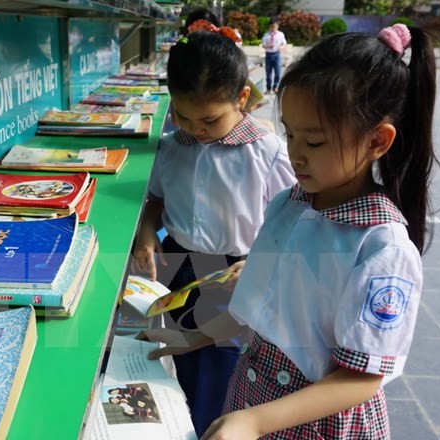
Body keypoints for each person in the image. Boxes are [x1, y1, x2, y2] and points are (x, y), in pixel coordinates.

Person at [142, 24, 440, 439]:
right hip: (254, 395)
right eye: (289, 133)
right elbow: (262, 305)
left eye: (316, 142)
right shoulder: (289, 204)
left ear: (377, 141)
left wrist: (254, 420)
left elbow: (361, 377)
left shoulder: (380, 245)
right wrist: (192, 337)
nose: (295, 153)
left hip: (313, 423)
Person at [131, 27, 296, 437]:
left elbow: (291, 222)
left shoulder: (266, 152)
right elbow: (155, 200)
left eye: (209, 119)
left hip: (234, 276)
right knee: (176, 360)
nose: (197, 129)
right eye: (183, 116)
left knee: (223, 374)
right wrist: (147, 232)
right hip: (176, 266)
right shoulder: (173, 146)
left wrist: (260, 265)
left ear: (242, 98)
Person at [261, 20, 287, 93]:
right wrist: (268, 46)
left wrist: (281, 47)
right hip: (269, 55)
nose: (273, 28)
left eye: (274, 26)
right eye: (271, 26)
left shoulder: (281, 34)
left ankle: (275, 87)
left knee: (278, 72)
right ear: (269, 26)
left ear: (277, 26)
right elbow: (263, 45)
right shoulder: (266, 35)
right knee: (268, 73)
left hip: (277, 54)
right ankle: (268, 88)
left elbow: (284, 44)